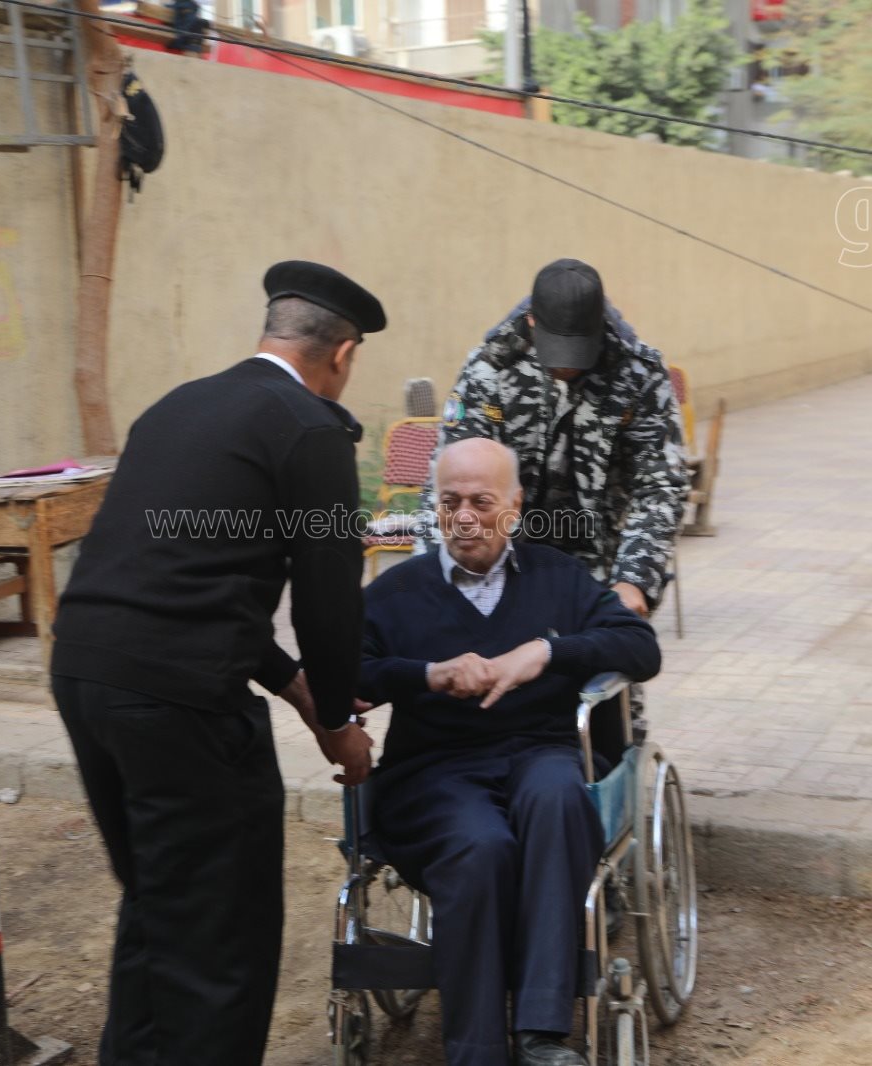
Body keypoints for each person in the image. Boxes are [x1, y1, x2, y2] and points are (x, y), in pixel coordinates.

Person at [50, 261, 384, 1066]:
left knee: (162, 906)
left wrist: (294, 687)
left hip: (86, 675)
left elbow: (180, 576)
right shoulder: (310, 428)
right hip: (179, 704)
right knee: (221, 940)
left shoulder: (176, 407)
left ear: (273, 331)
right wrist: (337, 718)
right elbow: (328, 599)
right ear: (342, 354)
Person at [362, 437, 662, 1066]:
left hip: (538, 752)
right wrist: (427, 675)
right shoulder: (397, 592)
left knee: (558, 798)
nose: (464, 517)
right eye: (450, 502)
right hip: (434, 771)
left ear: (516, 506)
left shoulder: (557, 577)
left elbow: (640, 647)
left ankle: (540, 1033)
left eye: (481, 501)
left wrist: (546, 652)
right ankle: (477, 1051)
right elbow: (343, 673)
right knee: (481, 846)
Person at [428, 257, 687, 760]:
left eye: (580, 352)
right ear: (532, 323)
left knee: (607, 716)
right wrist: (443, 585)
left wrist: (635, 580)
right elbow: (453, 480)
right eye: (557, 353)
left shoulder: (638, 373)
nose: (568, 367)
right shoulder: (490, 370)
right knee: (493, 710)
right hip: (504, 565)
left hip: (599, 571)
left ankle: (606, 791)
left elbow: (661, 484)